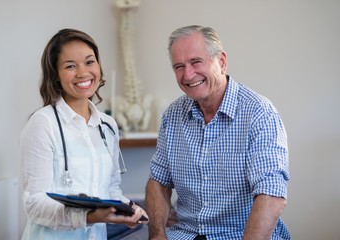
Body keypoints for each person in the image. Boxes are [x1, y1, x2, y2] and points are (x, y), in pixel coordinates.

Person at [145, 25, 290, 240]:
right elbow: (158, 182)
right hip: (186, 234)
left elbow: (271, 194)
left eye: (196, 62)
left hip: (240, 235)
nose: (188, 74)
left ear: (221, 61)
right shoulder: (173, 115)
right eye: (179, 66)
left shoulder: (259, 112)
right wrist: (157, 236)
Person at [20, 28, 148, 240]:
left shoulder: (108, 126)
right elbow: (35, 203)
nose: (83, 72)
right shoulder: (42, 124)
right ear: (55, 75)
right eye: (70, 66)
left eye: (89, 62)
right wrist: (89, 217)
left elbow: (111, 189)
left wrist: (128, 208)